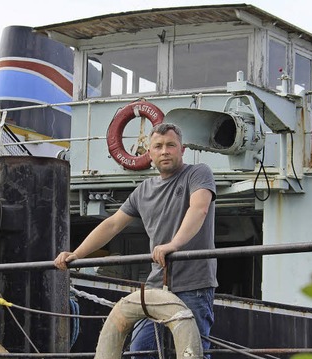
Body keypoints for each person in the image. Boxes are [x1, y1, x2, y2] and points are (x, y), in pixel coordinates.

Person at [54, 122, 218, 357]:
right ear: (149, 154)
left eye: (171, 145)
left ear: (182, 150)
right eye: (158, 146)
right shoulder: (143, 190)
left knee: (194, 352)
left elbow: (199, 209)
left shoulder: (198, 173)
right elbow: (112, 225)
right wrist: (76, 254)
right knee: (140, 351)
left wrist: (173, 245)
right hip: (155, 285)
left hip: (194, 284)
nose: (164, 151)